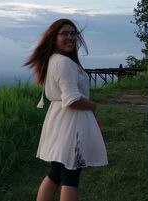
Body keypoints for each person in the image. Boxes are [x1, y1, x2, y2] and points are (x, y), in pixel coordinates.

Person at [24, 18, 108, 201]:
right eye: (65, 33)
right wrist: (94, 106)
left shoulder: (54, 60)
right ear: (54, 37)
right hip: (71, 124)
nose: (71, 37)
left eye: (73, 33)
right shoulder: (64, 63)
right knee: (70, 177)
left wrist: (93, 114)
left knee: (55, 173)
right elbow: (72, 99)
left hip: (59, 121)